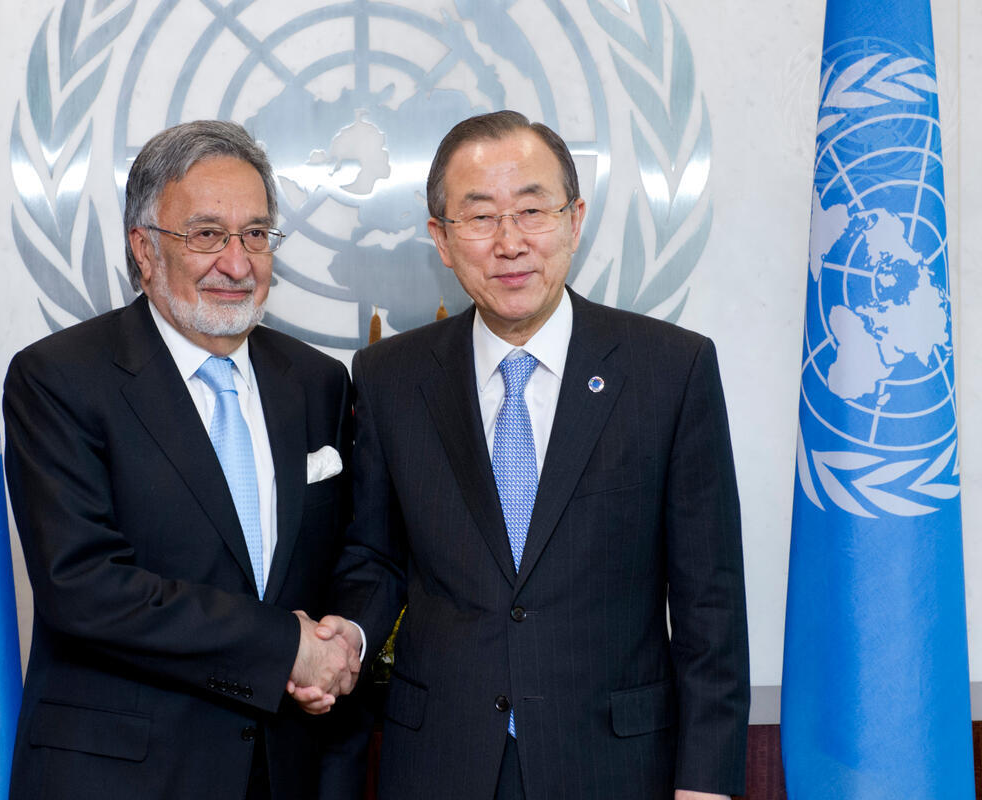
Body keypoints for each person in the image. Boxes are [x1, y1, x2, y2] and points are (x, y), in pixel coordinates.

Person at [304, 111, 749, 799]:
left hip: (615, 766)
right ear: (441, 239)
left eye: (533, 211)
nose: (510, 243)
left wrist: (706, 784)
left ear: (575, 220)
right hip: (440, 763)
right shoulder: (392, 378)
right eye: (480, 217)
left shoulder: (669, 370)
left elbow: (710, 601)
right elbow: (375, 556)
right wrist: (350, 637)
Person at [3, 120, 365, 800]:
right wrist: (284, 648)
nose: (237, 263)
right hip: (123, 777)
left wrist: (345, 640)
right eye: (206, 235)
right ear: (144, 249)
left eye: (254, 234)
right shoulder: (59, 378)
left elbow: (351, 552)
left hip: (288, 769)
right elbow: (82, 586)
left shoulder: (318, 382)